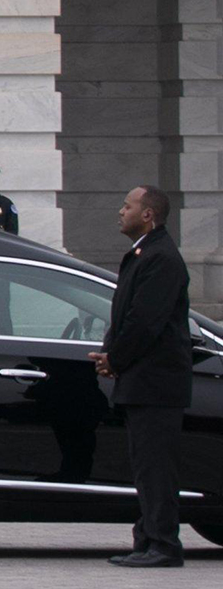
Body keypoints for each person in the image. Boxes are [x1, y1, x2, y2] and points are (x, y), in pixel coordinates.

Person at [91, 185, 195, 568]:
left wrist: (115, 358)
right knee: (145, 466)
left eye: (127, 206)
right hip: (142, 380)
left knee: (157, 468)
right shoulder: (143, 254)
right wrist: (109, 354)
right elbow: (124, 314)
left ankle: (165, 544)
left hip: (156, 383)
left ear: (148, 214)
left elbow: (145, 322)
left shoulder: (161, 258)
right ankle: (148, 537)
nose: (121, 211)